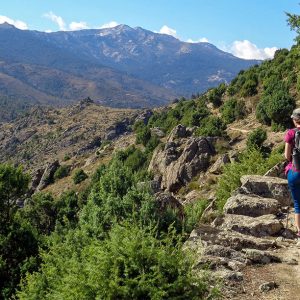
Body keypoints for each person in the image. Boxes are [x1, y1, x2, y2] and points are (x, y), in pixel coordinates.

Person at [284, 108, 300, 237]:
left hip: (295, 171)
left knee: (298, 204)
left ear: (295, 120)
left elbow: (286, 155)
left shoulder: (291, 133)